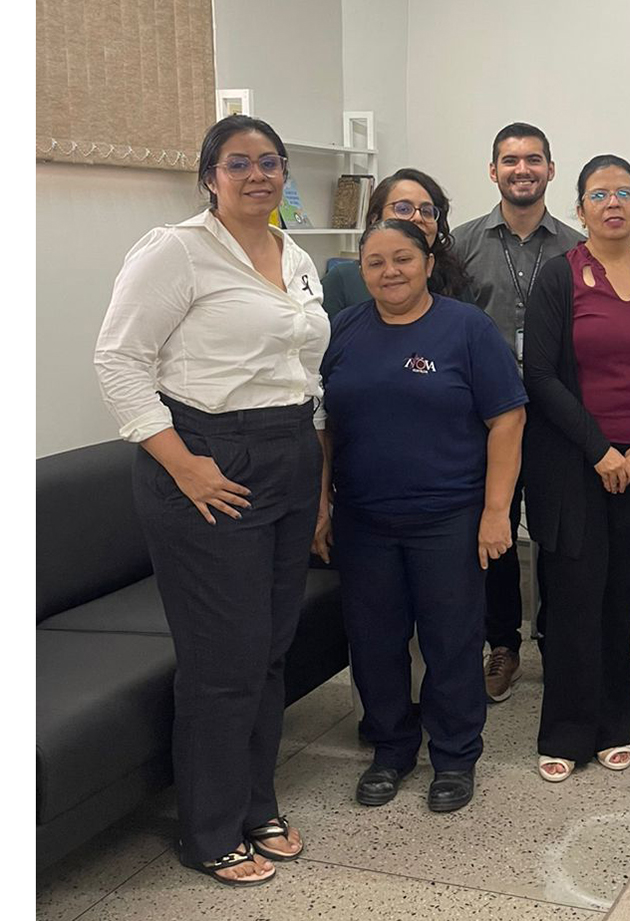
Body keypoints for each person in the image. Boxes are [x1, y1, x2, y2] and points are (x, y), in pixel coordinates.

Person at [94, 114, 328, 886]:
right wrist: (184, 464)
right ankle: (209, 827)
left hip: (289, 452)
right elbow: (119, 359)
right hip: (206, 457)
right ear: (209, 177)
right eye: (239, 163)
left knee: (270, 647)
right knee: (223, 657)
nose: (258, 174)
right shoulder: (177, 250)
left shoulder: (295, 255)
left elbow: (303, 372)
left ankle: (256, 803)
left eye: (270, 162)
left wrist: (314, 472)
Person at [314, 219, 526, 813]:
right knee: (374, 641)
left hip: (447, 518)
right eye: (375, 262)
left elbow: (507, 419)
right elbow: (323, 426)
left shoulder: (467, 328)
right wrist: (321, 504)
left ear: (429, 263)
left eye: (403, 258)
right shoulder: (343, 330)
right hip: (364, 520)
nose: (391, 272)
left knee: (451, 641)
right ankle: (391, 749)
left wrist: (496, 512)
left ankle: (455, 755)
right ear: (361, 271)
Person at [523, 155, 630, 782]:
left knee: (622, 599)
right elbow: (540, 374)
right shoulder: (557, 277)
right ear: (580, 209)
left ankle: (615, 725)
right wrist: (600, 450)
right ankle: (565, 731)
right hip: (575, 465)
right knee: (573, 599)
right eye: (599, 194)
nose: (613, 203)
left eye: (624, 192)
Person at [452, 123, 584, 702]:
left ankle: (556, 639)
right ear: (493, 171)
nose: (522, 169)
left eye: (533, 159)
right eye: (510, 160)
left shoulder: (578, 248)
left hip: (556, 417)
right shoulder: (461, 245)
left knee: (556, 534)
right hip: (485, 420)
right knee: (495, 531)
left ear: (551, 170)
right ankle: (501, 644)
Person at [321, 168, 472, 317]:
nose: (418, 218)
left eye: (427, 211)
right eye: (404, 209)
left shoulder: (453, 277)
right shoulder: (343, 280)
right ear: (375, 219)